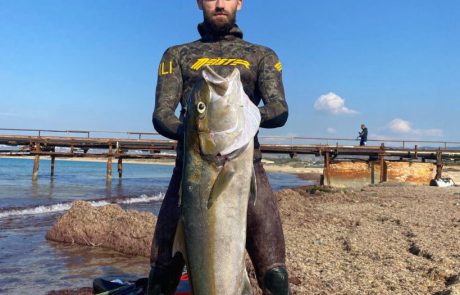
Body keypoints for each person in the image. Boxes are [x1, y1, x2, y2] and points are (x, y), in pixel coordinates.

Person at [147, 0, 290, 294]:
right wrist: (199, 133)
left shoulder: (261, 55)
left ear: (239, 2)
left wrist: (246, 118)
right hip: (192, 172)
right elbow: (162, 115)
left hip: (249, 169)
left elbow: (279, 110)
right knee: (162, 272)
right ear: (200, 3)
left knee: (275, 276)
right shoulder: (176, 55)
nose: (220, 3)